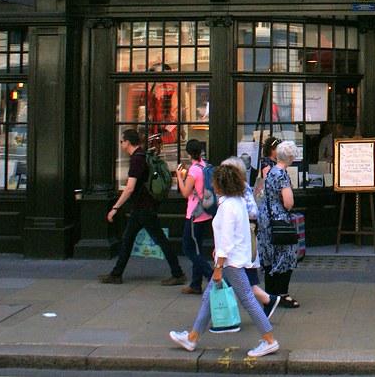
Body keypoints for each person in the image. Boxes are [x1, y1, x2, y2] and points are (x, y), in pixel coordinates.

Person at [168, 164, 280, 357]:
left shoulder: (227, 206)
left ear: (221, 184)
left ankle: (270, 340)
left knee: (247, 300)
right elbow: (236, 235)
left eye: (214, 183)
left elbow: (227, 240)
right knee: (209, 298)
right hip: (232, 260)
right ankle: (192, 338)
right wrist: (219, 252)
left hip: (230, 263)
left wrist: (219, 265)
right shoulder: (236, 202)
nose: (212, 186)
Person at [99, 128, 186, 286]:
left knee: (158, 239)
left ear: (127, 142)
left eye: (122, 141)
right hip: (142, 207)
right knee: (127, 239)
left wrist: (115, 207)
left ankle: (178, 273)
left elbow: (130, 188)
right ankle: (116, 274)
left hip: (144, 208)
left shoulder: (137, 160)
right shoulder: (142, 155)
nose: (121, 144)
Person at [221, 155, 282, 320]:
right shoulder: (234, 191)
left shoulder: (241, 189)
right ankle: (229, 316)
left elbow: (253, 211)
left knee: (238, 281)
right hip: (239, 243)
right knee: (240, 281)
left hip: (241, 241)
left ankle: (230, 317)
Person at [258, 141, 300, 308]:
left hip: (266, 218)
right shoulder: (282, 175)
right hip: (279, 218)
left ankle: (270, 294)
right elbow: (288, 202)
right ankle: (282, 294)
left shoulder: (272, 171)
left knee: (270, 254)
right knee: (286, 254)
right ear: (290, 157)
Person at [175, 139, 213, 295]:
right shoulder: (205, 166)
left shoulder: (194, 170)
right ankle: (195, 284)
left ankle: (212, 277)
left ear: (188, 153)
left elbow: (185, 192)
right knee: (198, 248)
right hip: (205, 212)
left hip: (194, 214)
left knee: (188, 248)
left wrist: (179, 176)